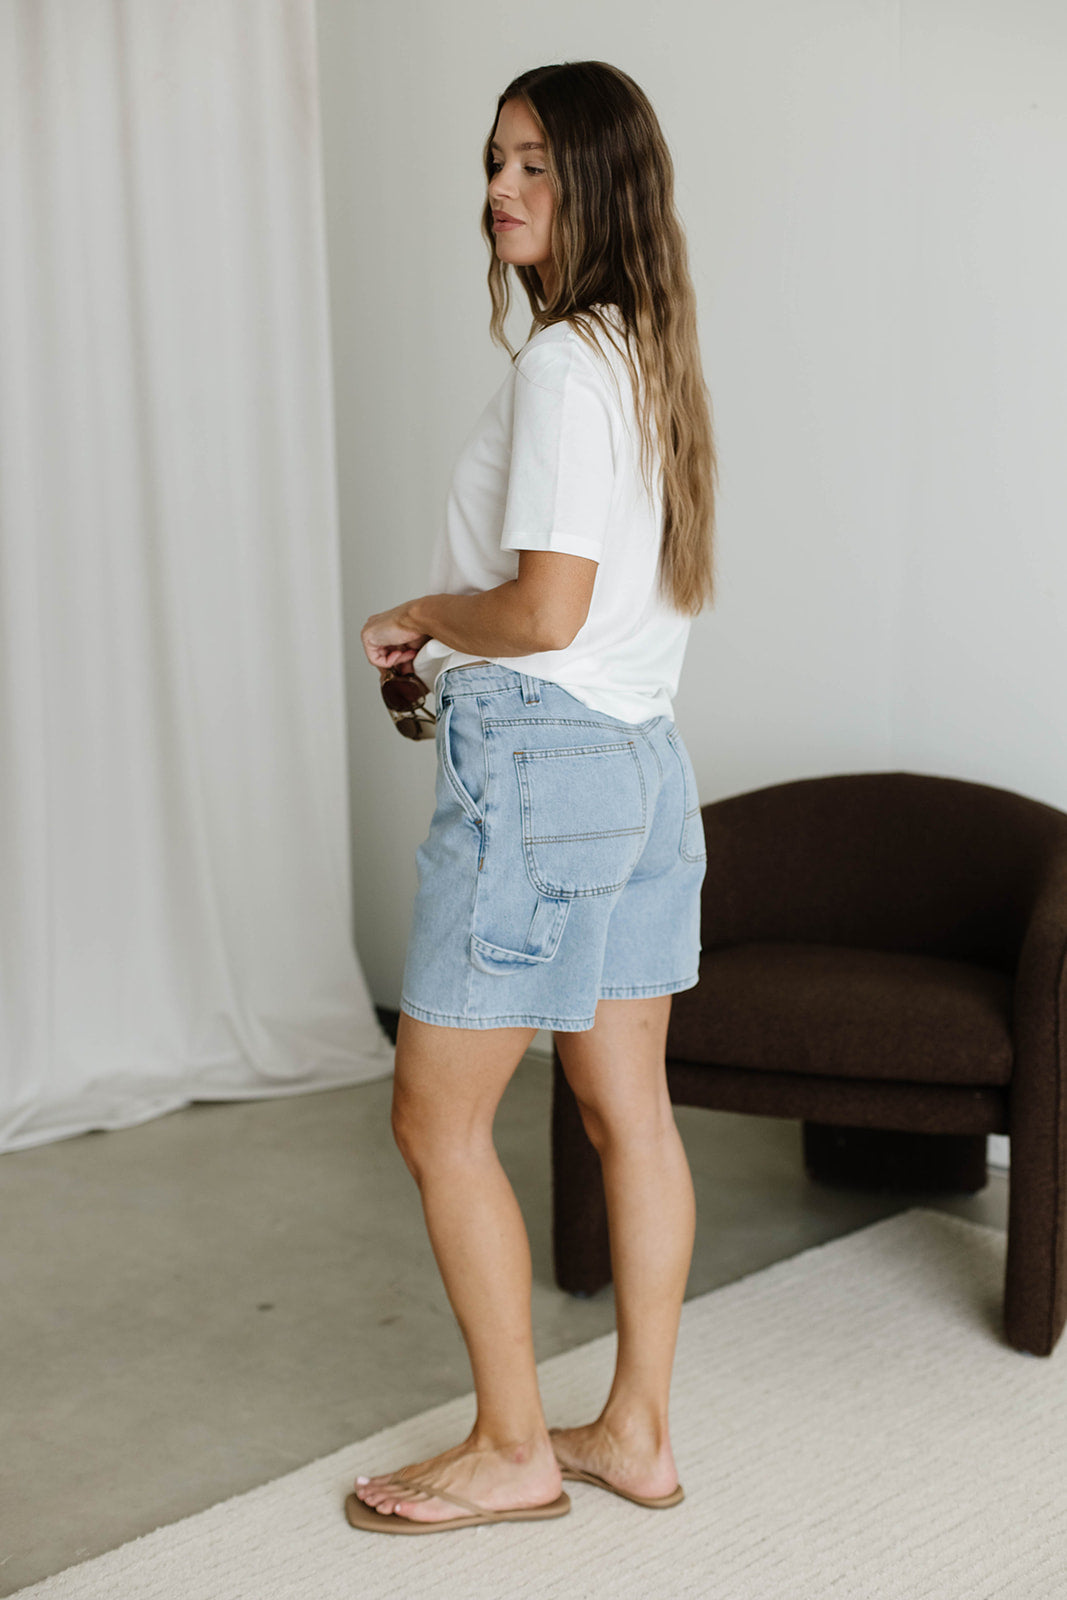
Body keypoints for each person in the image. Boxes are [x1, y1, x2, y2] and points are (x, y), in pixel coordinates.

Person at [347, 59, 718, 1535]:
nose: (500, 190)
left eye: (535, 165)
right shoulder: (650, 356)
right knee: (633, 1112)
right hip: (643, 771)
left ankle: (513, 1448)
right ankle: (635, 1433)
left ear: (599, 183)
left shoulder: (565, 364)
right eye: (494, 162)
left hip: (543, 762)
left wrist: (422, 614)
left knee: (434, 1120)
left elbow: (546, 612)